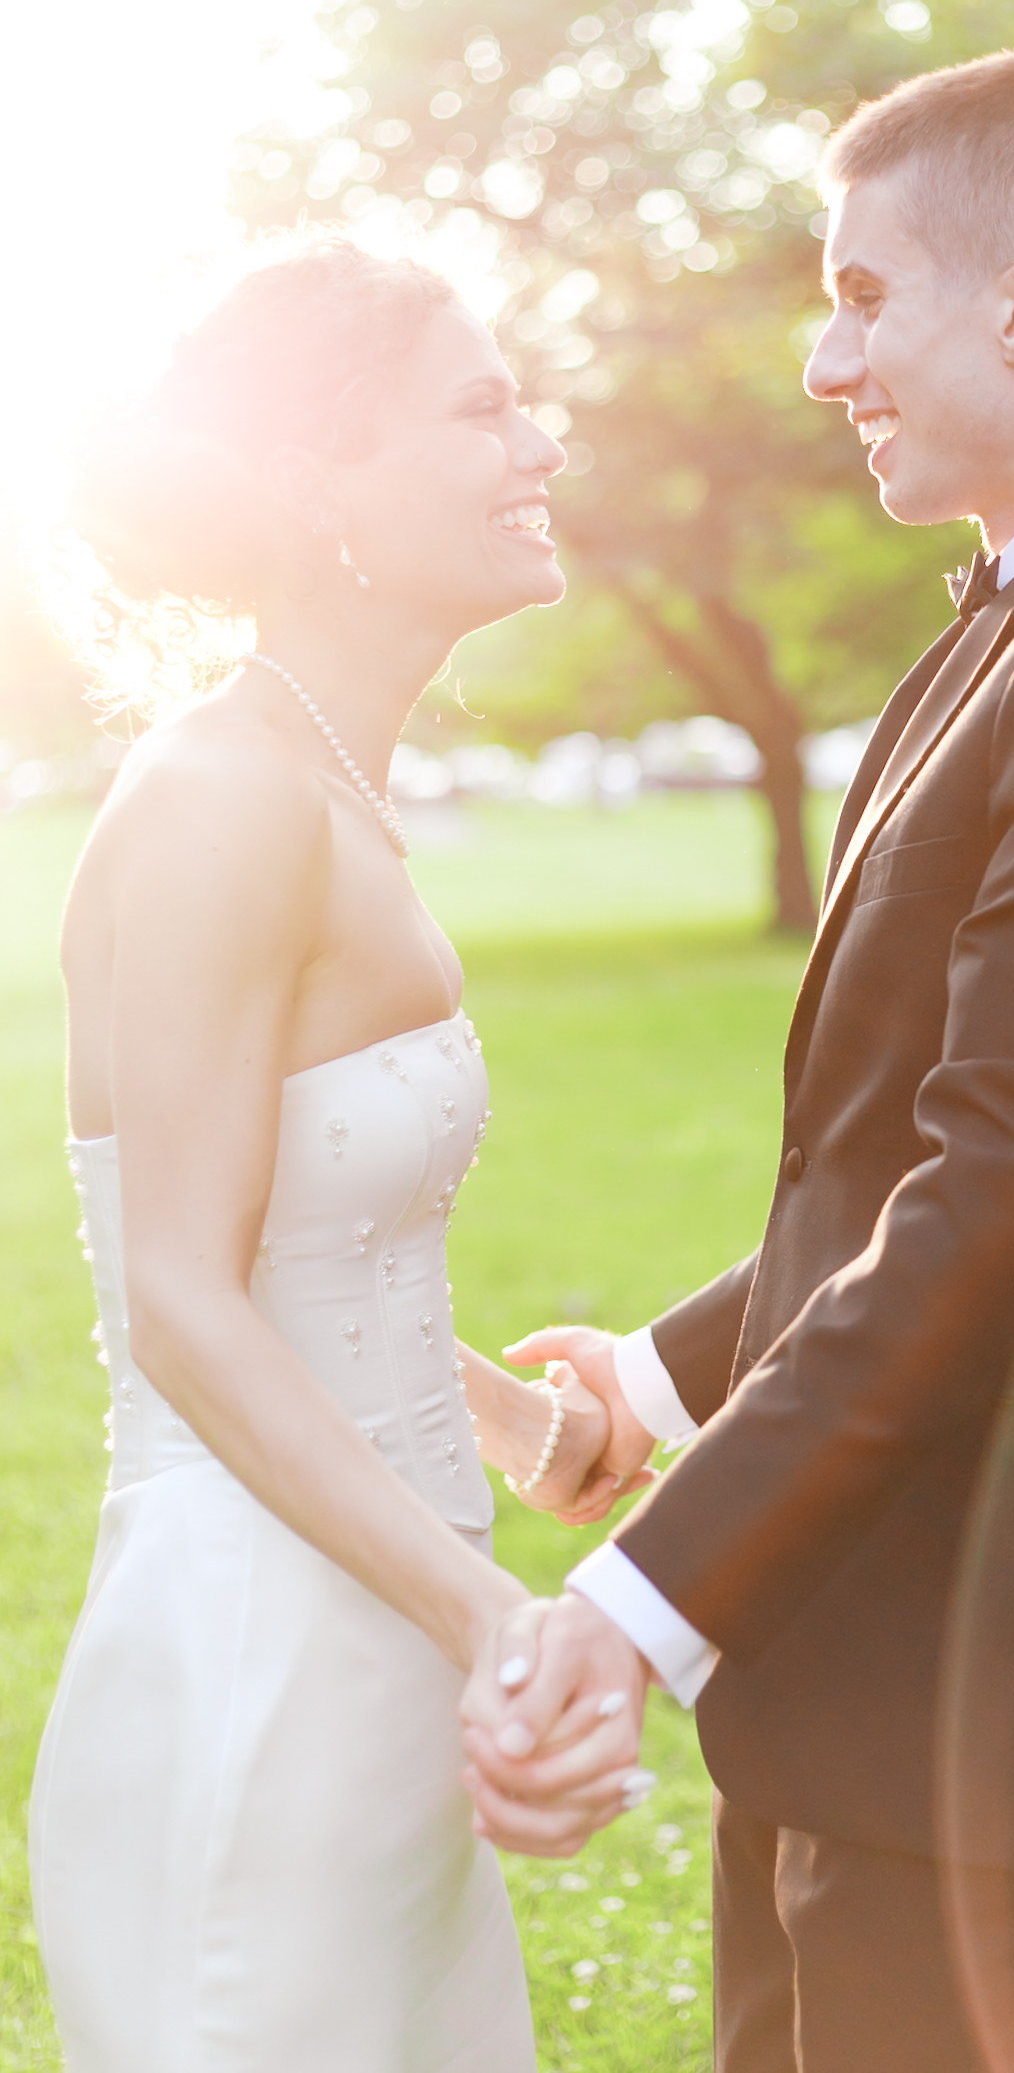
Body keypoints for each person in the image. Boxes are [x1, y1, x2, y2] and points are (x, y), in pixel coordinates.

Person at [464, 50, 1014, 2072]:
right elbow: (919, 1149)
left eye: (860, 295)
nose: (821, 361)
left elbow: (1012, 1198)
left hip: (1008, 1727)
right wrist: (662, 1371)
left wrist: (632, 1605)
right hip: (867, 1681)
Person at [28, 238, 645, 2073]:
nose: (541, 444)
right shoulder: (218, 798)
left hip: (379, 1631)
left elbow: (286, 1256)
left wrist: (521, 1432)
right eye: (480, 406)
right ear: (318, 484)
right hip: (260, 1664)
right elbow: (179, 1302)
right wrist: (494, 1622)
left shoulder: (324, 788)